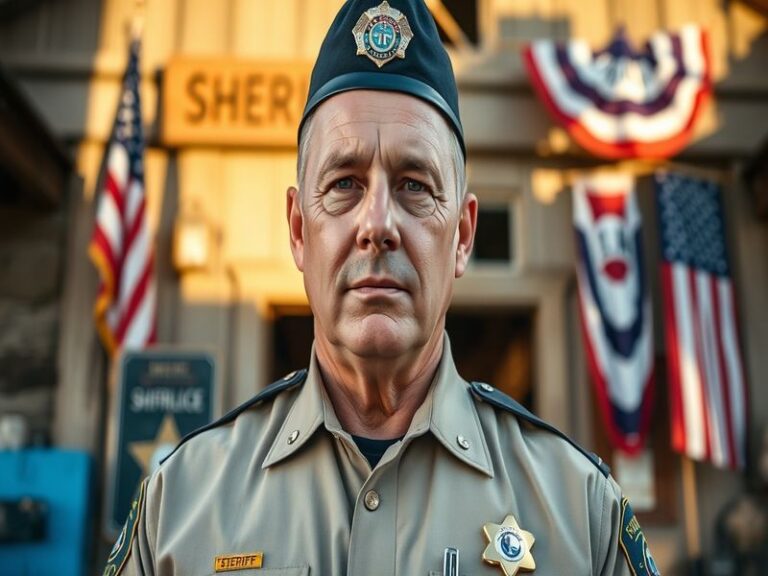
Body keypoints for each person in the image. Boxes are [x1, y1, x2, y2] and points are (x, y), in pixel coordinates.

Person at [104, 1, 658, 575]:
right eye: (344, 183)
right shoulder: (179, 507)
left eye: (414, 185)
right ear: (299, 231)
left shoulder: (582, 513)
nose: (377, 225)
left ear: (463, 235)